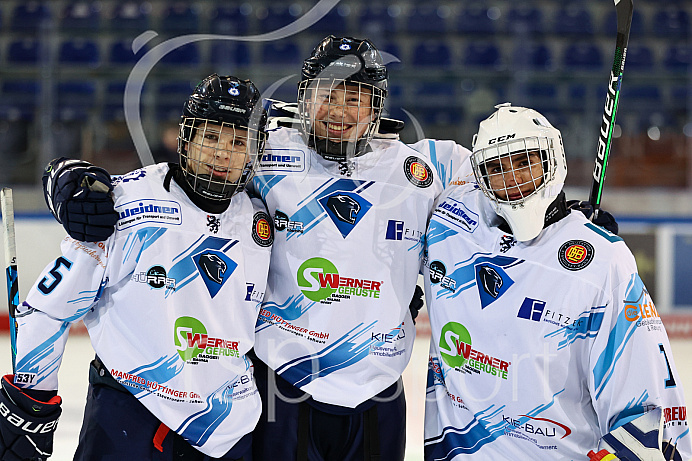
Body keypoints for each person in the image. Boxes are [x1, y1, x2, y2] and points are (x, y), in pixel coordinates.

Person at [0, 74, 273, 460]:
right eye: (210, 138)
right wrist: (30, 403)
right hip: (129, 420)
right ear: (185, 137)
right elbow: (47, 309)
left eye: (238, 142)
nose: (222, 154)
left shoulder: (262, 220)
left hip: (228, 431)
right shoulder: (126, 205)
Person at [422, 103, 690, 460]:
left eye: (524, 161)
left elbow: (649, 407)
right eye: (496, 168)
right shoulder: (449, 219)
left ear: (553, 159)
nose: (513, 179)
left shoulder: (603, 262)